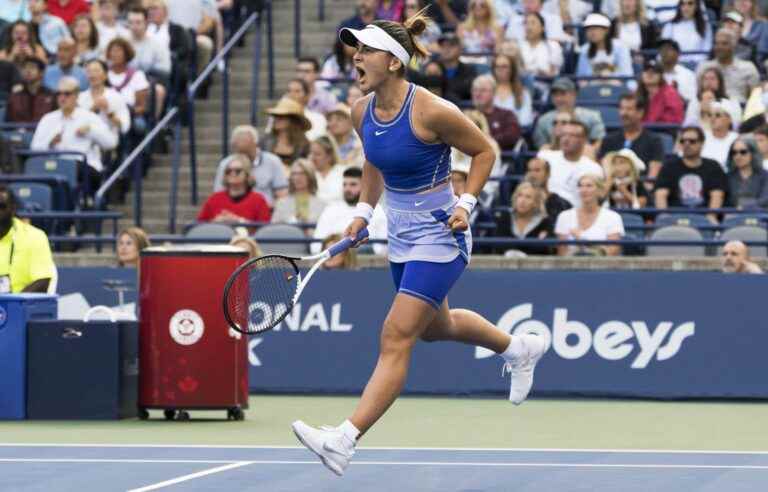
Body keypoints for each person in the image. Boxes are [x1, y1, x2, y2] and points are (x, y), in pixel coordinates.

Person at [292, 15, 548, 477]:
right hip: (402, 236)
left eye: (366, 50)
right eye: (355, 49)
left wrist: (467, 202)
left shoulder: (431, 110)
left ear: (393, 61)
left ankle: (343, 439)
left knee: (395, 335)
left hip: (442, 235)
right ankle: (518, 348)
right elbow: (374, 163)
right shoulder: (359, 110)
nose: (356, 57)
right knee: (435, 327)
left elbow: (485, 150)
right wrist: (362, 215)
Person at [31, 77, 118, 177]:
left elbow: (111, 143)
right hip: (54, 166)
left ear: (76, 95)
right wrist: (49, 143)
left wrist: (91, 131)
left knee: (70, 167)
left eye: (67, 94)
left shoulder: (89, 117)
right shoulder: (47, 119)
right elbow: (34, 149)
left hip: (84, 166)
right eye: (59, 94)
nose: (62, 98)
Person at [654, 126, 728, 223]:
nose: (686, 144)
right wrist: (665, 218)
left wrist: (711, 217)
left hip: (703, 220)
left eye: (692, 141)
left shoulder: (713, 167)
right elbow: (660, 194)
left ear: (702, 143)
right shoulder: (669, 166)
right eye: (682, 141)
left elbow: (717, 195)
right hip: (674, 218)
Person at [310, 166, 387, 255]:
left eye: (353, 184)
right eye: (345, 185)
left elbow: (382, 248)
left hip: (365, 263)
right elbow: (315, 245)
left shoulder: (377, 211)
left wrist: (353, 251)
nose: (347, 189)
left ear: (364, 187)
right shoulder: (330, 209)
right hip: (332, 262)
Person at [212, 125, 289, 205]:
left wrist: (269, 208)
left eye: (246, 152)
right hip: (233, 212)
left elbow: (282, 194)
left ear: (255, 144)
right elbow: (218, 194)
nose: (243, 158)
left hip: (267, 212)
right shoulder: (225, 164)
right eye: (239, 152)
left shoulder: (273, 161)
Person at [0, 185, 55, 293]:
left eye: (1, 206)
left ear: (13, 208)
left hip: (18, 306)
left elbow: (42, 282)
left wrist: (13, 305)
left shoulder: (34, 236)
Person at [555, 173, 625, 256]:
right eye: (580, 186)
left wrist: (582, 239)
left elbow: (612, 252)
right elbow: (562, 254)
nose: (584, 190)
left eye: (589, 186)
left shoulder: (613, 217)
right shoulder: (564, 216)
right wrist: (596, 248)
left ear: (599, 190)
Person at [538, 120, 604, 207]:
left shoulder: (593, 168)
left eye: (572, 135)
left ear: (584, 140)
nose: (566, 139)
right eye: (563, 135)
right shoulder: (545, 157)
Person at [598, 93, 664, 179]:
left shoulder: (654, 140)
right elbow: (604, 170)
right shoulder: (609, 140)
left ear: (640, 112)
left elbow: (653, 174)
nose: (624, 113)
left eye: (629, 109)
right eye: (622, 108)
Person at [532, 76, 606, 151]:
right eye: (555, 95)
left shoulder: (592, 116)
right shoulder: (543, 120)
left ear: (574, 94)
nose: (559, 98)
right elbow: (542, 147)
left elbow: (597, 144)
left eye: (563, 94)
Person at [197, 153, 272, 224]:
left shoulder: (258, 200)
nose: (232, 174)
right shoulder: (214, 199)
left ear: (247, 174)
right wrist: (216, 222)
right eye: (228, 171)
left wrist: (238, 221)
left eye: (237, 171)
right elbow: (198, 226)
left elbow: (264, 229)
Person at [696, 28, 759, 105]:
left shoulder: (748, 68)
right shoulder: (704, 67)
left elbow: (755, 98)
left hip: (740, 107)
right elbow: (698, 94)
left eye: (724, 43)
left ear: (733, 45)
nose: (719, 47)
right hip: (710, 108)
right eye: (716, 43)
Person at [491, 181, 554, 255]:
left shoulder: (544, 222)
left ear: (536, 202)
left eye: (528, 197)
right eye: (520, 195)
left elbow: (543, 250)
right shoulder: (505, 217)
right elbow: (499, 246)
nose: (522, 201)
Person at [79, 59, 131, 141]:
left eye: (96, 71)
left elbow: (124, 127)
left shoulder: (115, 96)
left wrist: (109, 112)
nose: (92, 75)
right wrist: (93, 109)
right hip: (85, 140)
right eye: (89, 71)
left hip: (108, 140)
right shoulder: (80, 97)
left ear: (105, 75)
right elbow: (75, 124)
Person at [271, 158, 326, 231]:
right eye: (294, 174)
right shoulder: (282, 203)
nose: (297, 177)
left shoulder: (322, 204)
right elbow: (274, 230)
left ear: (310, 176)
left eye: (302, 173)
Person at [470, 74, 521, 151]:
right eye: (475, 90)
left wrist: (486, 140)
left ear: (494, 93)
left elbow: (512, 137)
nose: (478, 94)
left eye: (483, 90)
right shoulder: (466, 115)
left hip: (501, 158)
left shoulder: (507, 115)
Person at [576, 13, 634, 80]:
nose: (591, 32)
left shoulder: (621, 47)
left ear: (606, 30)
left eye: (595, 28)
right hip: (592, 87)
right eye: (588, 29)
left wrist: (610, 78)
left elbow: (627, 75)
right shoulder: (584, 50)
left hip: (617, 87)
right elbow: (581, 77)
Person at [261, 97, 312, 169]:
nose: (276, 119)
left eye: (281, 117)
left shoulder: (305, 145)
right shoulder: (265, 141)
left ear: (292, 120)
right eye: (275, 116)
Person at [490, 53, 533, 127]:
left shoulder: (523, 93)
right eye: (497, 66)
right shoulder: (487, 90)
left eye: (504, 66)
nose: (500, 69)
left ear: (512, 69)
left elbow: (525, 120)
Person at [7, 56, 54, 124]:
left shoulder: (51, 96)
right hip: (18, 133)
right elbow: (7, 124)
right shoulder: (15, 97)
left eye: (32, 67)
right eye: (25, 68)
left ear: (41, 73)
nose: (27, 70)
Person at [518, 12, 563, 81]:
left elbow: (554, 73)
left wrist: (542, 73)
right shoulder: (518, 47)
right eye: (526, 23)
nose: (529, 27)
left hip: (547, 84)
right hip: (523, 84)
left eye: (533, 23)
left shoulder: (553, 46)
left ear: (542, 27)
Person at [435, 31, 477, 103]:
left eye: (451, 45)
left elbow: (469, 90)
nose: (446, 49)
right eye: (443, 46)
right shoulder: (433, 68)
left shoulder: (469, 70)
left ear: (460, 48)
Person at [638, 59, 684, 124]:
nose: (650, 73)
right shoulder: (637, 94)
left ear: (661, 76)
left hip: (664, 131)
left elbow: (675, 119)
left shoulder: (670, 93)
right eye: (646, 70)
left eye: (655, 71)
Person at [726, 137, 768, 209]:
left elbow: (765, 200)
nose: (738, 156)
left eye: (743, 152)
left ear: (753, 153)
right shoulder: (727, 177)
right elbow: (725, 202)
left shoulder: (765, 176)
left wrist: (742, 206)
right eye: (734, 152)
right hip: (732, 217)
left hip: (760, 216)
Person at [702, 100, 740, 169]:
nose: (712, 118)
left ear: (730, 119)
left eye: (717, 115)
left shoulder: (737, 139)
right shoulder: (702, 136)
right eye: (710, 115)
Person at [658, 38, 696, 103]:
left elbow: (691, 100)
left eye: (668, 49)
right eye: (662, 49)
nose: (664, 52)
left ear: (677, 53)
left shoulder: (688, 75)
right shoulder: (655, 73)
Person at [310, 135, 346, 203]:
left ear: (329, 156)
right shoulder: (308, 174)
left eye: (317, 154)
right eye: (311, 153)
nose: (313, 158)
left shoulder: (343, 172)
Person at [326, 103, 364, 168]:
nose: (333, 123)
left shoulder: (360, 146)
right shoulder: (324, 144)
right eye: (330, 119)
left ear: (351, 123)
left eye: (339, 119)